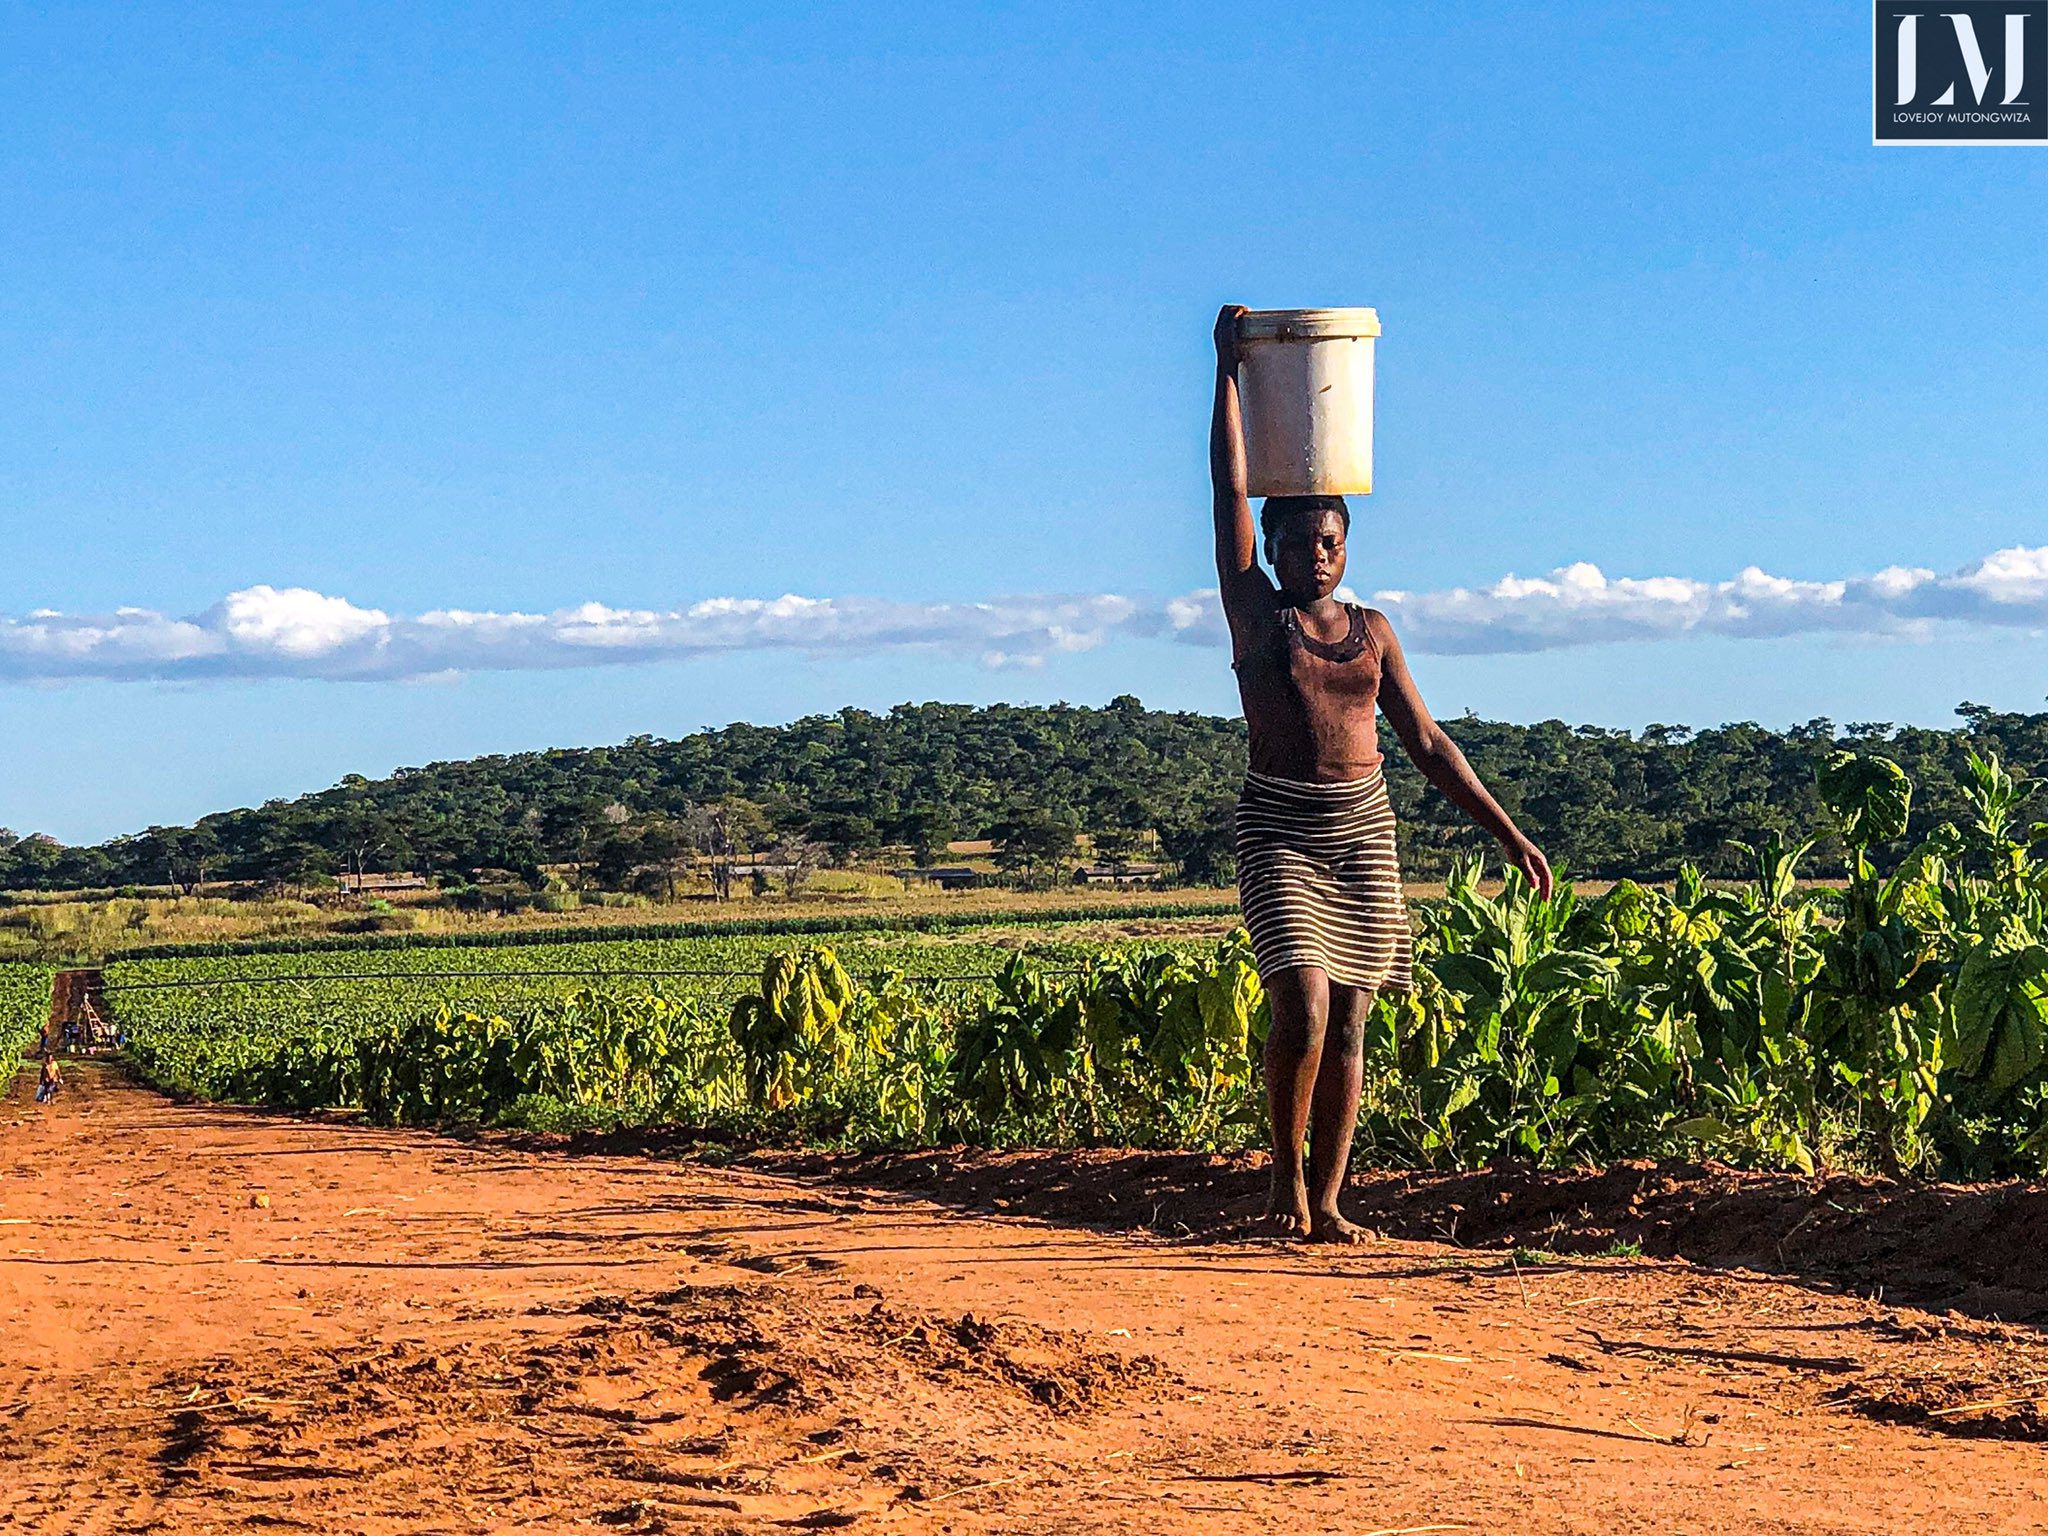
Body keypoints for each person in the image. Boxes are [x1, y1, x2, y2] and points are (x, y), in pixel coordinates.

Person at [1209, 304, 1552, 1243]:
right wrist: (1227, 375)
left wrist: (1509, 832)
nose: (1314, 556)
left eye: (1331, 542)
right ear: (1271, 552)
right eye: (1297, 543)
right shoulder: (1256, 617)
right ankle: (1281, 1190)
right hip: (1280, 827)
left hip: (1364, 827)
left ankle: (1329, 1203)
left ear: (1346, 548)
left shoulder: (1375, 631)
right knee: (1306, 1004)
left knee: (1355, 1021)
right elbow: (1229, 492)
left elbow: (1429, 746)